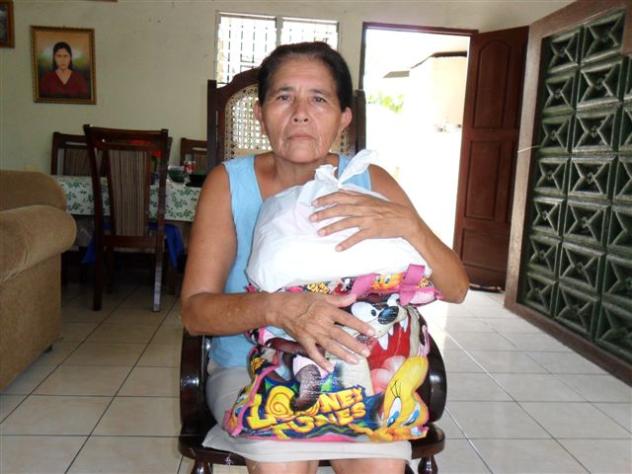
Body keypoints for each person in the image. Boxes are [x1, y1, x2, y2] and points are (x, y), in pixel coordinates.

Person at [181, 41, 469, 474]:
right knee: (285, 463)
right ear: (260, 113)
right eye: (284, 97)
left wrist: (410, 225)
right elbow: (195, 312)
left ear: (343, 118)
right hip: (249, 367)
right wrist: (279, 308)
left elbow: (457, 289)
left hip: (364, 371)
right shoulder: (228, 184)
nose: (300, 113)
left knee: (381, 468)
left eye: (319, 99)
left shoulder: (370, 181)